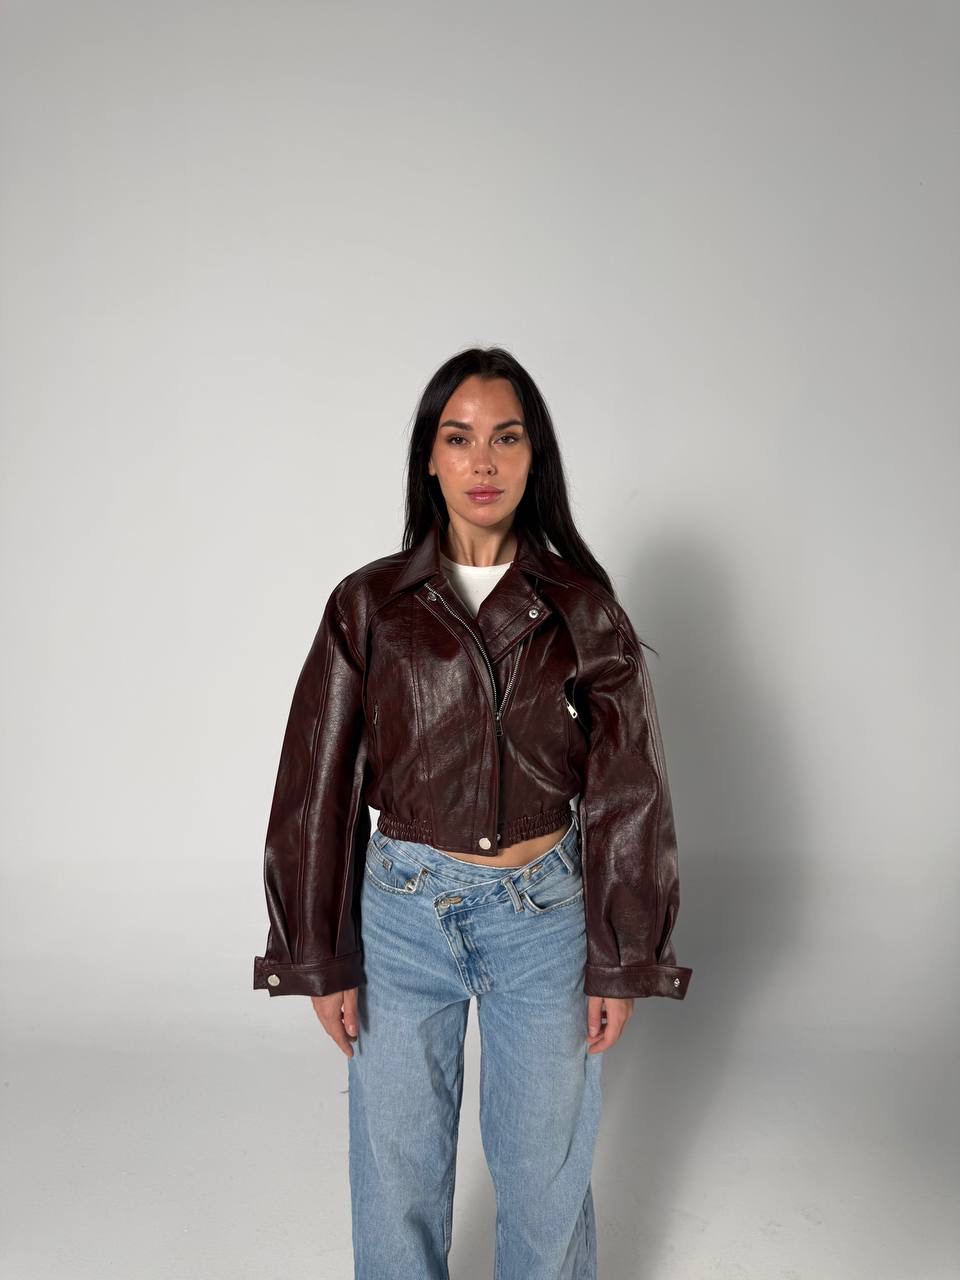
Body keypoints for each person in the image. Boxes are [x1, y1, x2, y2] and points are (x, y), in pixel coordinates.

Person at [253, 346, 693, 1279]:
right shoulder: (370, 605)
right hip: (403, 917)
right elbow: (317, 782)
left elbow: (628, 788)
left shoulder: (581, 608)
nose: (482, 461)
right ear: (430, 457)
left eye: (506, 438)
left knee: (544, 1181)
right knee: (395, 1182)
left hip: (544, 921)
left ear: (535, 457)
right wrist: (319, 950)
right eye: (459, 439)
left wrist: (620, 958)